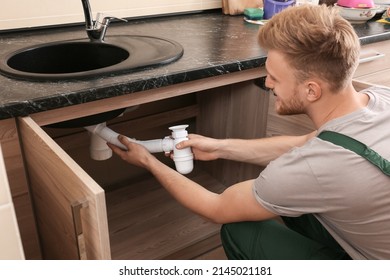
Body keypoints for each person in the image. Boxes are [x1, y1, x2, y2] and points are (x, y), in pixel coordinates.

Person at [108, 4, 390, 259]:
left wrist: (148, 161)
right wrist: (219, 147)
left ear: (311, 90)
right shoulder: (381, 98)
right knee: (288, 200)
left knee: (240, 230)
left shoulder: (315, 168)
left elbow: (216, 207)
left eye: (275, 78)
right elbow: (307, 143)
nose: (267, 84)